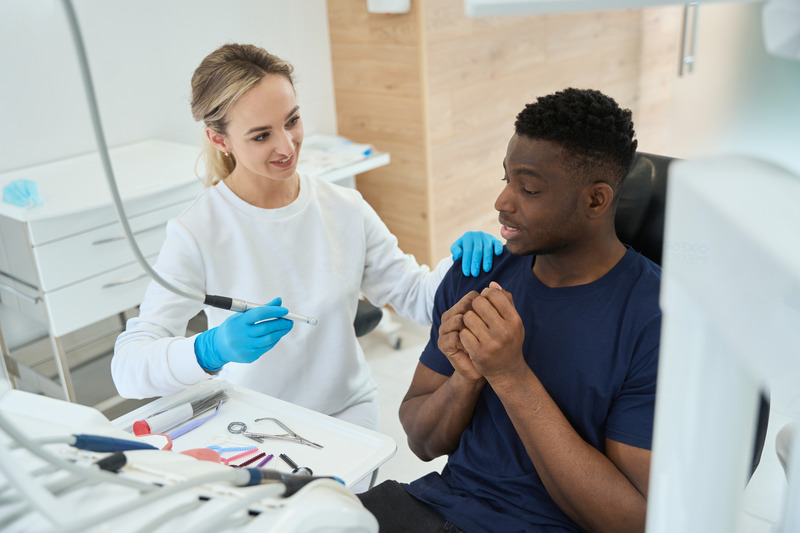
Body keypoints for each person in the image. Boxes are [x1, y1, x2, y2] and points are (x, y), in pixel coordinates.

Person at [111, 43, 500, 432]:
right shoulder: (198, 231)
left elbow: (419, 300)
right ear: (219, 140)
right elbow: (128, 369)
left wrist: (461, 269)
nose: (286, 146)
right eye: (261, 136)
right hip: (250, 422)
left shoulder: (344, 207)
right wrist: (209, 350)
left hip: (346, 412)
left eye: (292, 120)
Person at [358, 88, 662, 532]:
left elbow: (632, 521)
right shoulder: (479, 276)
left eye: (529, 188)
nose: (502, 202)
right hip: (435, 508)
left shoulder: (656, 319)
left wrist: (511, 376)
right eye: (506, 179)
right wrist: (466, 376)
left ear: (596, 200)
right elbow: (421, 441)